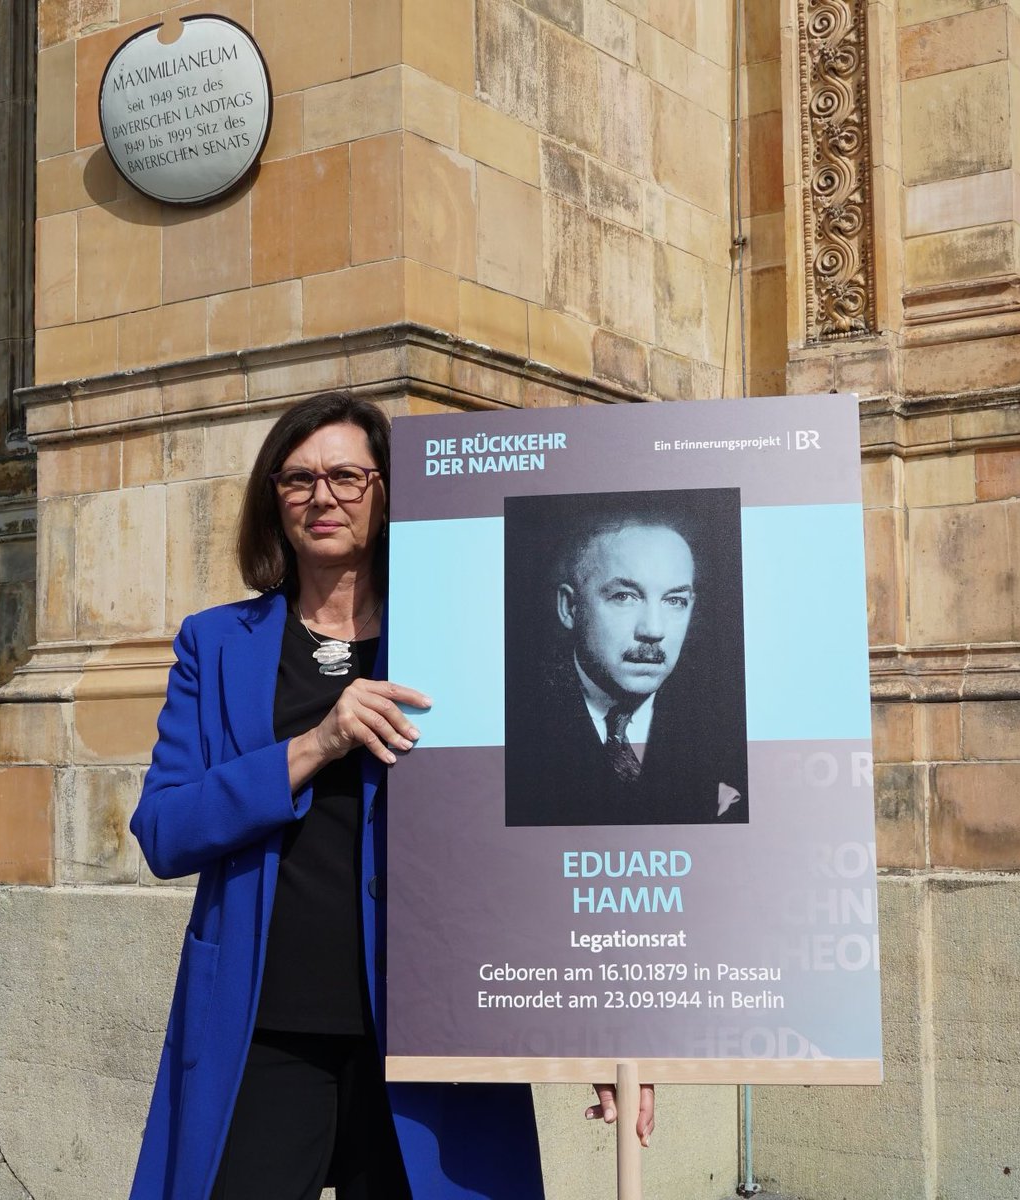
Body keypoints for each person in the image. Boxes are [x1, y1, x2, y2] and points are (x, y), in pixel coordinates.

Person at [129, 392, 651, 1200]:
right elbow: (164, 829)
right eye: (296, 479)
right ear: (273, 500)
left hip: (431, 1026)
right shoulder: (214, 642)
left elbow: (528, 841)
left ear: (386, 491)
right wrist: (315, 744)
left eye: (345, 475)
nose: (321, 496)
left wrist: (599, 1036)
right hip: (260, 1027)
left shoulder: (462, 634)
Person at [505, 497, 748, 827]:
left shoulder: (731, 733)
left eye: (674, 601)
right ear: (570, 607)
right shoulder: (512, 726)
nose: (653, 630)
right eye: (624, 597)